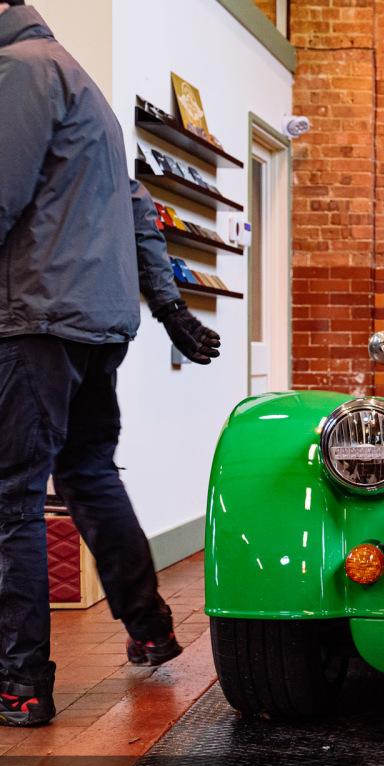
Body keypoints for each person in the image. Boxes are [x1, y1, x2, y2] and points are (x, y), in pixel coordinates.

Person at [0, 1, 222, 727]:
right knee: (88, 472)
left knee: (13, 497)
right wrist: (171, 308)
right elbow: (138, 209)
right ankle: (152, 628)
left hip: (36, 318)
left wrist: (170, 308)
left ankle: (21, 683)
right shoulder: (82, 84)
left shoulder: (22, 70)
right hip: (97, 323)